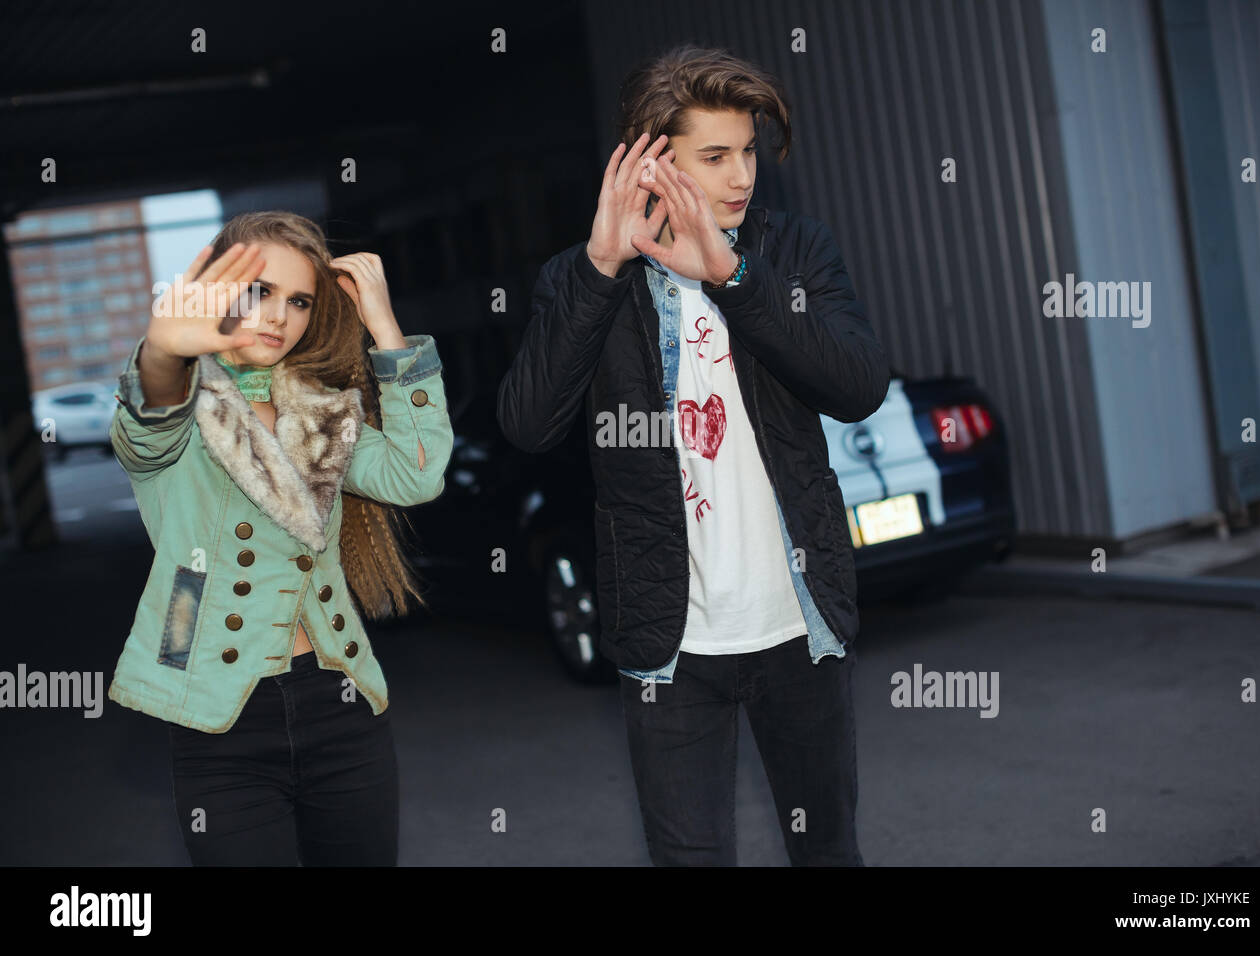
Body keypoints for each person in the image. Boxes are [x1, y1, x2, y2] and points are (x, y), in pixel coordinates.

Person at [497, 44, 891, 865]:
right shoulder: (582, 280)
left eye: (747, 151)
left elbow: (857, 386)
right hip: (668, 646)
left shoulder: (792, 254)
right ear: (651, 158)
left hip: (800, 626)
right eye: (715, 157)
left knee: (830, 853)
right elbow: (529, 424)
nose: (741, 175)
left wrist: (735, 281)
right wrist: (602, 267)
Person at [108, 210, 453, 865]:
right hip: (216, 709)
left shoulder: (321, 411)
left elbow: (419, 474)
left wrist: (384, 327)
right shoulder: (176, 401)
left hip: (341, 703)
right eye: (259, 290)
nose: (278, 315)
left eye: (298, 300)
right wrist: (160, 352)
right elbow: (144, 426)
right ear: (212, 284)